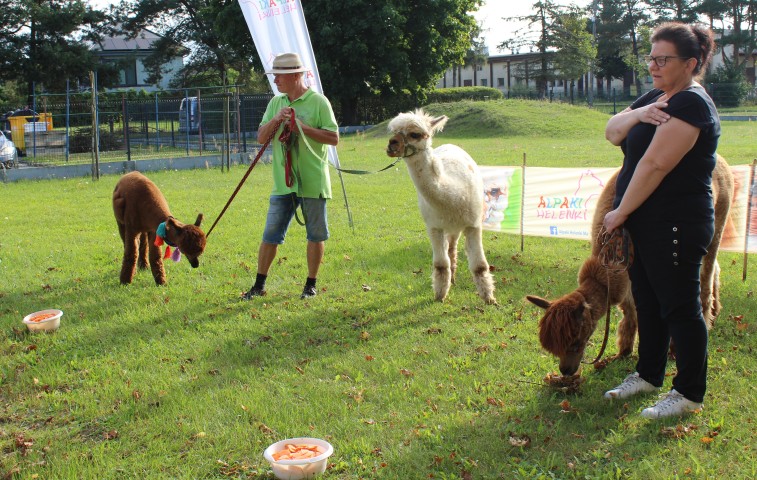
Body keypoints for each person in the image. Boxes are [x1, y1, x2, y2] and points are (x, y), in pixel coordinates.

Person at [602, 22, 719, 419]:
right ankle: (649, 375)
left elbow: (655, 164)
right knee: (648, 302)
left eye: (662, 59)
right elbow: (612, 132)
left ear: (691, 63)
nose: (653, 66)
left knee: (680, 306)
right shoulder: (656, 97)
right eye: (651, 58)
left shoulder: (691, 104)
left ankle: (688, 393)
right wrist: (640, 112)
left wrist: (620, 211)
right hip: (644, 221)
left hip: (676, 223)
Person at [241, 53, 339, 300]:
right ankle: (259, 286)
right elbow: (261, 137)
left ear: (296, 75)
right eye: (274, 76)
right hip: (283, 184)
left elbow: (333, 138)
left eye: (279, 76)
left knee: (315, 235)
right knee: (270, 235)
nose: (275, 81)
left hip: (314, 182)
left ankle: (310, 285)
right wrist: (276, 119)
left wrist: (302, 128)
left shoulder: (318, 102)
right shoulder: (276, 103)